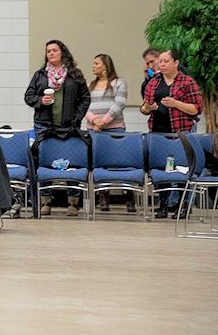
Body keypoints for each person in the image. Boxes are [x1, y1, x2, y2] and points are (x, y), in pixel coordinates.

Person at [24, 39, 90, 216]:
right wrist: (40, 101)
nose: (51, 53)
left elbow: (85, 98)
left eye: (54, 50)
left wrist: (77, 117)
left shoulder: (75, 74)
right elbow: (28, 96)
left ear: (63, 52)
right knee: (44, 162)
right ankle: (45, 201)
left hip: (70, 127)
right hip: (44, 126)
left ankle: (73, 203)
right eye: (48, 51)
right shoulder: (40, 75)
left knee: (72, 164)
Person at [140, 48, 202, 218]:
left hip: (180, 131)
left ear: (176, 63)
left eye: (166, 61)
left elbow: (197, 109)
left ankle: (183, 205)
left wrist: (176, 103)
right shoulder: (154, 82)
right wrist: (148, 108)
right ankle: (164, 204)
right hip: (158, 131)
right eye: (160, 61)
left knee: (182, 168)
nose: (162, 64)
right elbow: (144, 108)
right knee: (160, 168)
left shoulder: (187, 82)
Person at [83, 54, 134, 212]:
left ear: (105, 65)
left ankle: (128, 197)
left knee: (120, 163)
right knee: (98, 163)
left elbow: (119, 104)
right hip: (94, 131)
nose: (93, 66)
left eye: (96, 63)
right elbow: (84, 105)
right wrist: (94, 121)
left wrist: (103, 121)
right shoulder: (90, 85)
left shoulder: (119, 83)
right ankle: (103, 197)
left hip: (115, 129)